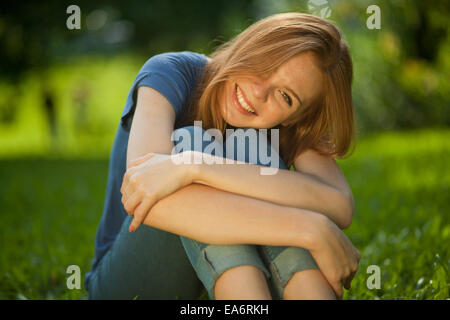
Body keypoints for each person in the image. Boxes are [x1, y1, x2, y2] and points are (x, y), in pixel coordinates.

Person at [85, 12, 361, 300]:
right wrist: (308, 228)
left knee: (251, 147)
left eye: (285, 96)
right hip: (126, 284)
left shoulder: (282, 129)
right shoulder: (168, 73)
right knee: (193, 142)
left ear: (296, 117)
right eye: (265, 63)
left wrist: (198, 167)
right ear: (251, 44)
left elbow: (339, 203)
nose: (258, 92)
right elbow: (143, 191)